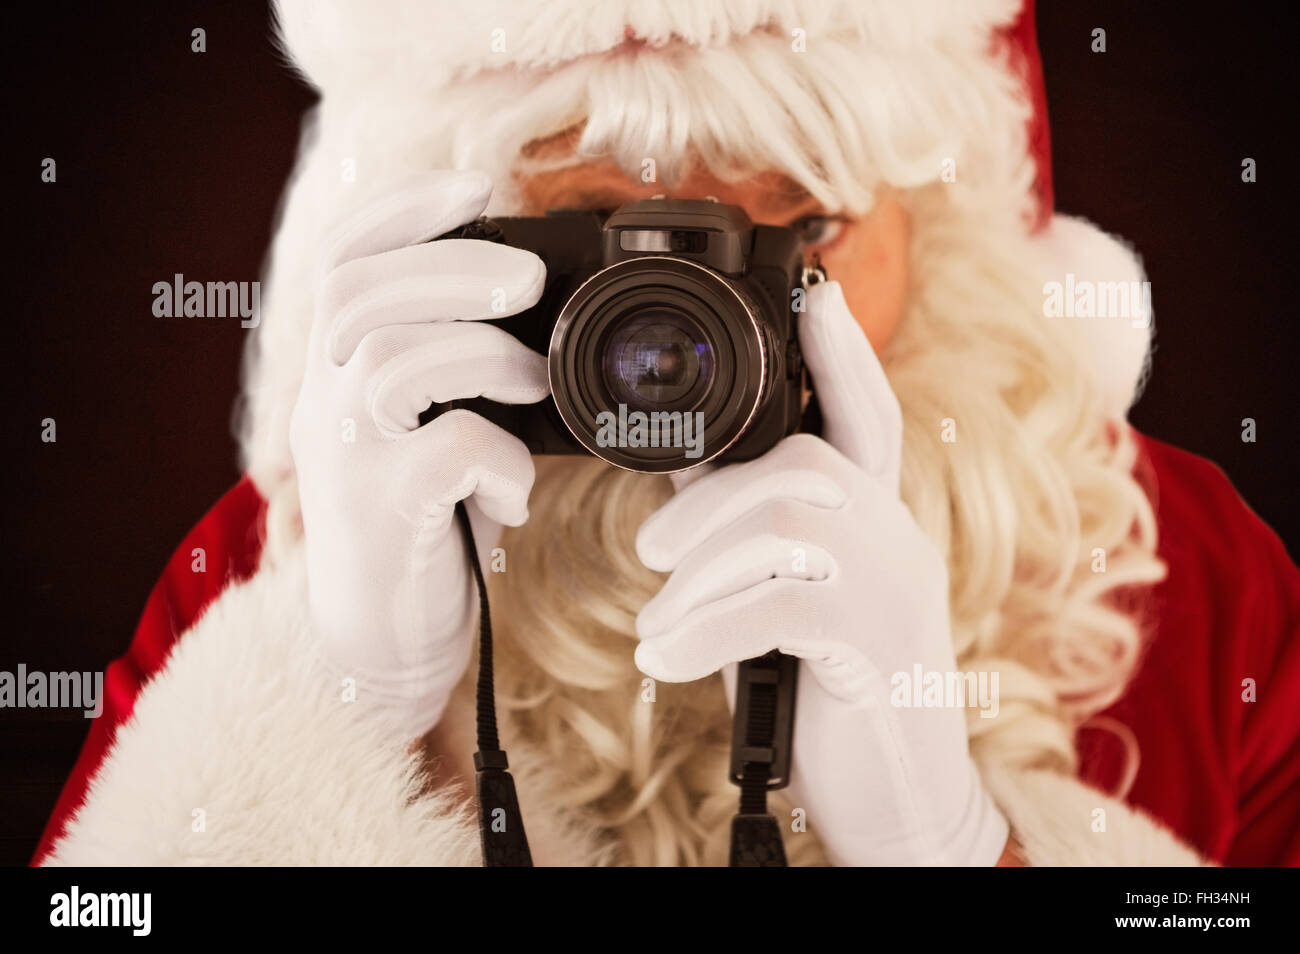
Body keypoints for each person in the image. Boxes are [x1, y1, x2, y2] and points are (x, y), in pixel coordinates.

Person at [35, 0, 1300, 866]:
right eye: (601, 236)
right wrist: (347, 707)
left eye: (796, 232)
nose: (686, 329)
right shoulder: (275, 568)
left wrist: (958, 845)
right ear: (457, 234)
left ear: (939, 220)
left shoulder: (1198, 582)